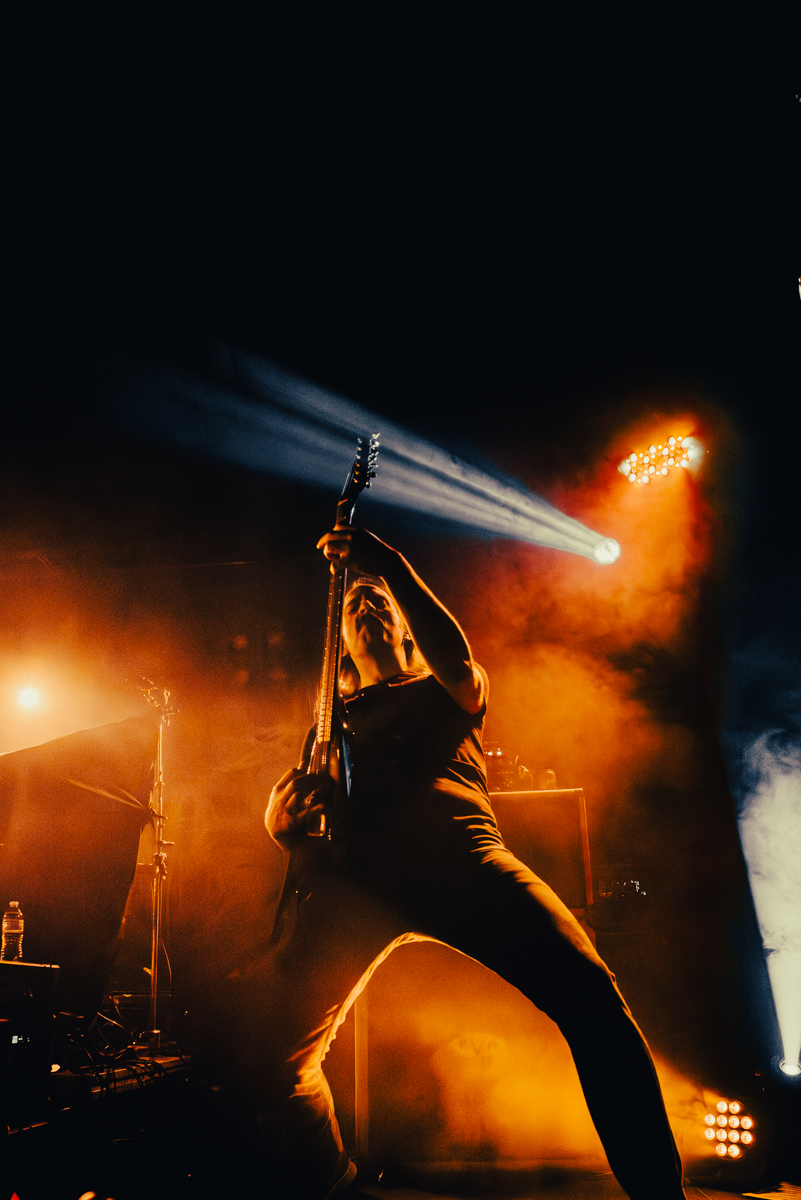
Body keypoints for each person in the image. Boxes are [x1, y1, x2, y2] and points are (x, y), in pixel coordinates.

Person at [249, 524, 687, 1199]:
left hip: (462, 859)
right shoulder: (327, 724)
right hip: (360, 888)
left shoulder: (443, 686)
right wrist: (280, 830)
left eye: (380, 600)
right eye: (353, 602)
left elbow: (456, 661)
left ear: (405, 629)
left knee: (595, 1006)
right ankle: (335, 1184)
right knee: (275, 1058)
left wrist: (387, 563)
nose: (366, 603)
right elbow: (313, 826)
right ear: (338, 642)